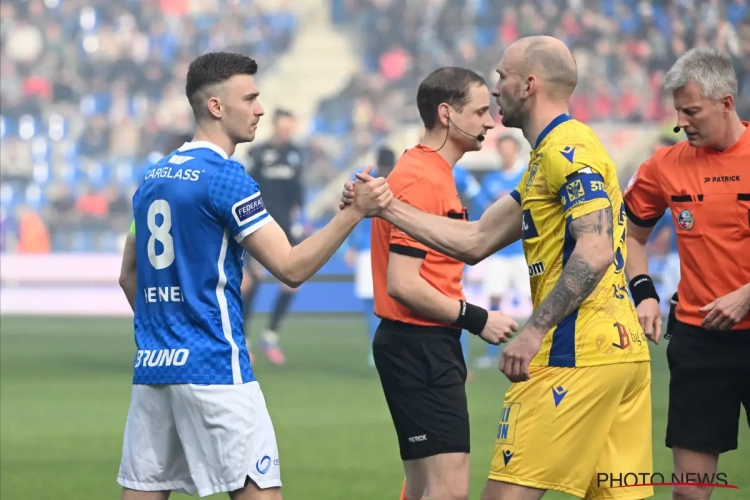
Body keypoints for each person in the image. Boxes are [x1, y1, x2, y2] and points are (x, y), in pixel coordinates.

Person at [343, 36, 653, 500]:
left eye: (502, 79)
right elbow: (476, 241)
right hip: (621, 356)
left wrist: (533, 332)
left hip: (573, 355)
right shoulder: (547, 159)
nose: (496, 91)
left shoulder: (566, 149)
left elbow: (595, 248)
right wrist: (384, 207)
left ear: (528, 85)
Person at [116, 52, 391, 500]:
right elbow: (291, 267)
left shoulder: (152, 180)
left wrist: (168, 332)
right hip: (214, 371)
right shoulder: (226, 178)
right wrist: (356, 212)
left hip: (154, 369)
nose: (260, 108)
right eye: (251, 98)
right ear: (216, 107)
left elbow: (129, 276)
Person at [368, 66, 518, 500]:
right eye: (480, 111)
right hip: (420, 344)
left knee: (421, 488)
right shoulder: (422, 178)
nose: (491, 121)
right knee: (448, 490)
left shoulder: (428, 171)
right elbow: (403, 283)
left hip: (420, 344)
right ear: (447, 114)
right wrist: (478, 319)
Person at [622, 47, 750, 500]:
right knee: (689, 493)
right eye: (677, 110)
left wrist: (746, 295)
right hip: (699, 341)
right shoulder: (664, 166)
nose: (680, 122)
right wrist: (645, 295)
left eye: (691, 110)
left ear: (726, 103)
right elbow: (631, 236)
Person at [241, 109, 305, 365]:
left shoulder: (296, 154)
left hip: (286, 228)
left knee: (292, 283)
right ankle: (242, 338)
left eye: (290, 128)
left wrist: (301, 219)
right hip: (260, 227)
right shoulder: (258, 154)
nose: (286, 132)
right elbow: (246, 188)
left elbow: (298, 191)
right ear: (275, 127)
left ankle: (270, 335)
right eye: (282, 128)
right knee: (251, 280)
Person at [474, 134, 530, 370]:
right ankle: (492, 352)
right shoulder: (492, 179)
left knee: (534, 299)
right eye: (502, 150)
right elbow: (486, 211)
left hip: (523, 249)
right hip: (498, 250)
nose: (505, 153)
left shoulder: (527, 175)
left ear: (516, 150)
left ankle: (535, 347)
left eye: (509, 149)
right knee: (494, 298)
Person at [344, 145, 397, 367]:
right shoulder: (394, 180)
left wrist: (352, 246)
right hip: (385, 247)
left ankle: (381, 348)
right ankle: (380, 349)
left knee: (375, 302)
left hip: (375, 248)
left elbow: (352, 213)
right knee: (378, 301)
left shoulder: (368, 182)